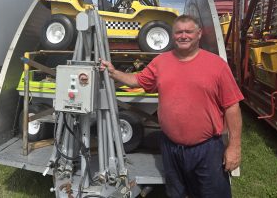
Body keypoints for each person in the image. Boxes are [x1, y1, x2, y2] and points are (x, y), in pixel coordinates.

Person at [100, 14, 243, 198]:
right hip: (171, 147)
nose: (183, 36)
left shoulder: (217, 65)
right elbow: (137, 80)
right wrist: (114, 72)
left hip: (206, 149)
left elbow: (232, 107)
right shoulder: (161, 62)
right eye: (179, 32)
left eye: (188, 32)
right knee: (176, 194)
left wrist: (234, 147)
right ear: (173, 35)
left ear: (199, 34)